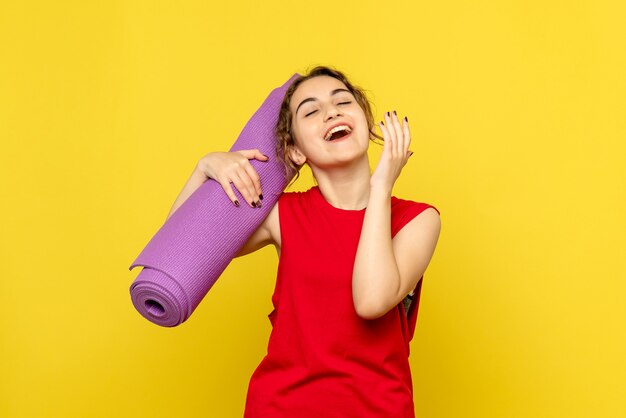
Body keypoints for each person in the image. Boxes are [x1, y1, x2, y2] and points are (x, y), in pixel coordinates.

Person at [166, 66, 441, 417]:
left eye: (343, 101)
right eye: (311, 111)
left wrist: (381, 187)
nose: (332, 112)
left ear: (367, 122)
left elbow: (371, 300)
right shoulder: (282, 216)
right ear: (295, 151)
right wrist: (204, 168)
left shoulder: (418, 220)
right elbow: (181, 249)